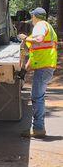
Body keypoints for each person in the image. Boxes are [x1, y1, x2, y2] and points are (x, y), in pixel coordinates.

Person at [18, 7, 58, 138]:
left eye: (32, 17)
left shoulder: (40, 25)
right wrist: (24, 70)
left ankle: (38, 129)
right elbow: (35, 55)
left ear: (35, 17)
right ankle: (38, 128)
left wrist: (25, 38)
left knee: (37, 97)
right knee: (37, 96)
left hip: (44, 67)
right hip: (45, 66)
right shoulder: (47, 27)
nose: (32, 20)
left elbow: (39, 40)